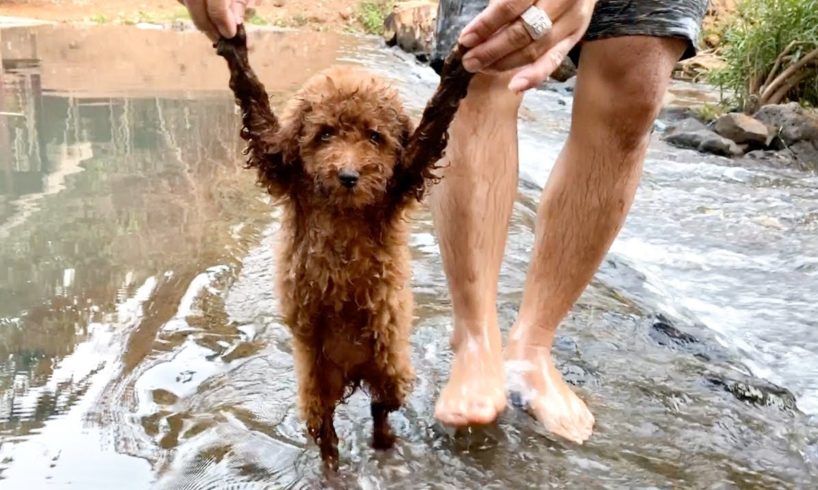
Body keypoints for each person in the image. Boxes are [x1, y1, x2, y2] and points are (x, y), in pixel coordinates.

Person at [179, 0, 708, 444]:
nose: (346, 164)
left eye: (373, 141)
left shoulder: (392, 186)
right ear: (302, 143)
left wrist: (448, 85)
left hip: (376, 313)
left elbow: (428, 141)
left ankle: (533, 348)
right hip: (313, 318)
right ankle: (476, 339)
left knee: (637, 82)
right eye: (326, 139)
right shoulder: (292, 174)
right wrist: (236, 55)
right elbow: (263, 126)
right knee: (490, 53)